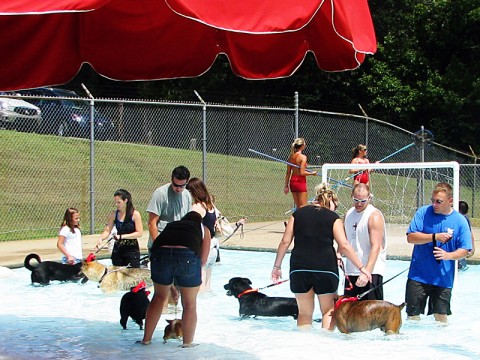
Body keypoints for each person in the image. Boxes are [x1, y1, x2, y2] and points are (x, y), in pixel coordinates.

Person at [271, 183, 372, 330]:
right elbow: (344, 245)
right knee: (328, 311)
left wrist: (277, 266)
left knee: (304, 313)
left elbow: (285, 242)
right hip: (325, 269)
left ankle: (303, 347)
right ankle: (325, 347)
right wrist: (362, 268)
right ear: (331, 203)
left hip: (299, 269)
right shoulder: (333, 218)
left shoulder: (297, 214)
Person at [138, 211, 211, 346]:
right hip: (187, 255)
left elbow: (161, 246)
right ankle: (187, 343)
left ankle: (146, 339)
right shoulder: (203, 229)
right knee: (189, 303)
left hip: (160, 254)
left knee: (158, 297)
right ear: (199, 222)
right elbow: (203, 260)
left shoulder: (172, 225)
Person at [405, 182, 472, 323]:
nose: (435, 204)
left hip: (443, 278)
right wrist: (434, 236)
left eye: (439, 202)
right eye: (433, 201)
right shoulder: (423, 212)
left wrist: (449, 256)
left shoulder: (460, 221)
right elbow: (411, 238)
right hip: (418, 276)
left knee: (441, 318)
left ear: (450, 201)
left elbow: (466, 250)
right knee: (412, 317)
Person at [186, 177, 246, 291]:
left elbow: (190, 229)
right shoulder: (211, 206)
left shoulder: (197, 207)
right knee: (208, 285)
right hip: (213, 248)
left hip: (203, 247)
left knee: (199, 286)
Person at [343, 183, 387, 300]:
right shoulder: (348, 214)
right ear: (351, 196)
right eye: (356, 200)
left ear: (369, 198)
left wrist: (366, 271)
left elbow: (376, 246)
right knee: (349, 314)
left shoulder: (374, 216)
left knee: (372, 316)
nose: (359, 204)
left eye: (363, 201)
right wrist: (338, 254)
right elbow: (345, 240)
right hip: (352, 270)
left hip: (371, 272)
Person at [146, 166, 192, 252]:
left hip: (179, 246)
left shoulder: (187, 195)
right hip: (162, 245)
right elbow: (152, 223)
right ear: (171, 180)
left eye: (182, 186)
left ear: (187, 182)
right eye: (175, 185)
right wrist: (158, 245)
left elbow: (188, 222)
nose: (178, 189)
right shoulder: (160, 194)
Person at [95, 189, 143, 268]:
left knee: (133, 275)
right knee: (117, 273)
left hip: (131, 249)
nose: (116, 204)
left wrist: (122, 236)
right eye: (115, 202)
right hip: (118, 249)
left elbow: (139, 233)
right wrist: (101, 239)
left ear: (126, 200)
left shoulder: (135, 214)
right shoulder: (114, 214)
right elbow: (107, 230)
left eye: (119, 202)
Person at [284, 138, 317, 209]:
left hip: (293, 181)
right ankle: (301, 219)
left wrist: (286, 186)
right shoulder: (303, 157)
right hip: (300, 181)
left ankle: (297, 219)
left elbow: (288, 173)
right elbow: (302, 172)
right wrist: (312, 173)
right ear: (302, 146)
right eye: (304, 144)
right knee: (303, 206)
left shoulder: (291, 157)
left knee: (298, 206)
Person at [457, 200, 475, 271]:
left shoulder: (460, 218)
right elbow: (470, 233)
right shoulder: (465, 218)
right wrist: (472, 247)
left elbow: (469, 233)